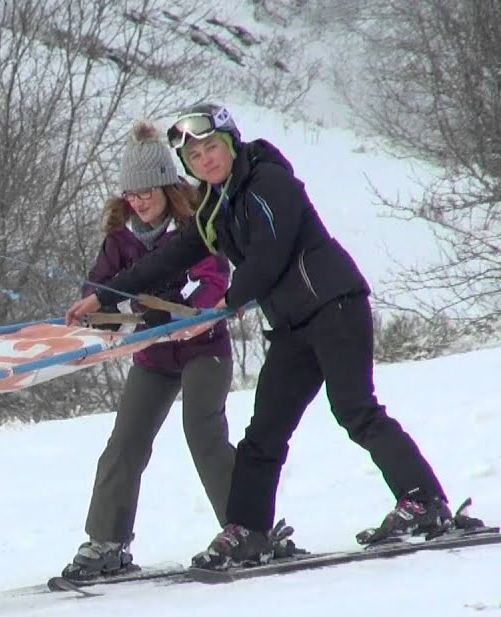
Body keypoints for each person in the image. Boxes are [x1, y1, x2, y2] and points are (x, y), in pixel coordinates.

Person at [66, 103, 479, 570]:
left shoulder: (268, 182)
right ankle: (249, 530)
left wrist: (222, 306)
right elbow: (173, 256)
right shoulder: (216, 205)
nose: (206, 160)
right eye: (195, 157)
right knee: (263, 434)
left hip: (334, 306)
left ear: (230, 143)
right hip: (291, 326)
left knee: (355, 410)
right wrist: (104, 297)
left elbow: (269, 253)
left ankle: (424, 501)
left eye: (211, 148)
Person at [59, 120, 243, 581]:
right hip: (153, 356)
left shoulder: (193, 225)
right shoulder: (121, 238)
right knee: (125, 442)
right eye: (131, 194)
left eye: (147, 192)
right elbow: (101, 287)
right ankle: (107, 542)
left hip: (203, 347)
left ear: (166, 186)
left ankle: (247, 525)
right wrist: (93, 312)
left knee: (203, 432)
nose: (138, 202)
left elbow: (213, 279)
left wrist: (187, 314)